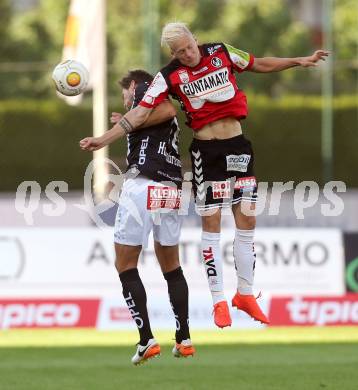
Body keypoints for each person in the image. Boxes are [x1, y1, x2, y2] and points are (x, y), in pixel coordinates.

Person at [80, 22, 329, 329]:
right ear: (172, 53)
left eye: (190, 46)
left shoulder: (221, 52)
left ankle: (245, 294)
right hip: (207, 153)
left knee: (247, 219)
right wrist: (103, 139)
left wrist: (299, 61)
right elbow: (140, 112)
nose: (188, 54)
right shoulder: (168, 76)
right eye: (180, 51)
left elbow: (258, 63)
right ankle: (219, 301)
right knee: (212, 223)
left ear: (195, 39)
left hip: (239, 146)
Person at [82, 69, 195, 365]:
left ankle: (146, 339)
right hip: (171, 190)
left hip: (143, 186)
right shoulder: (146, 115)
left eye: (125, 94)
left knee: (125, 263)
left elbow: (165, 108)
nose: (127, 100)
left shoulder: (147, 91)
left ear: (134, 86)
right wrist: (125, 122)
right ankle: (183, 337)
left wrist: (103, 138)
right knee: (171, 265)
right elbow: (151, 125)